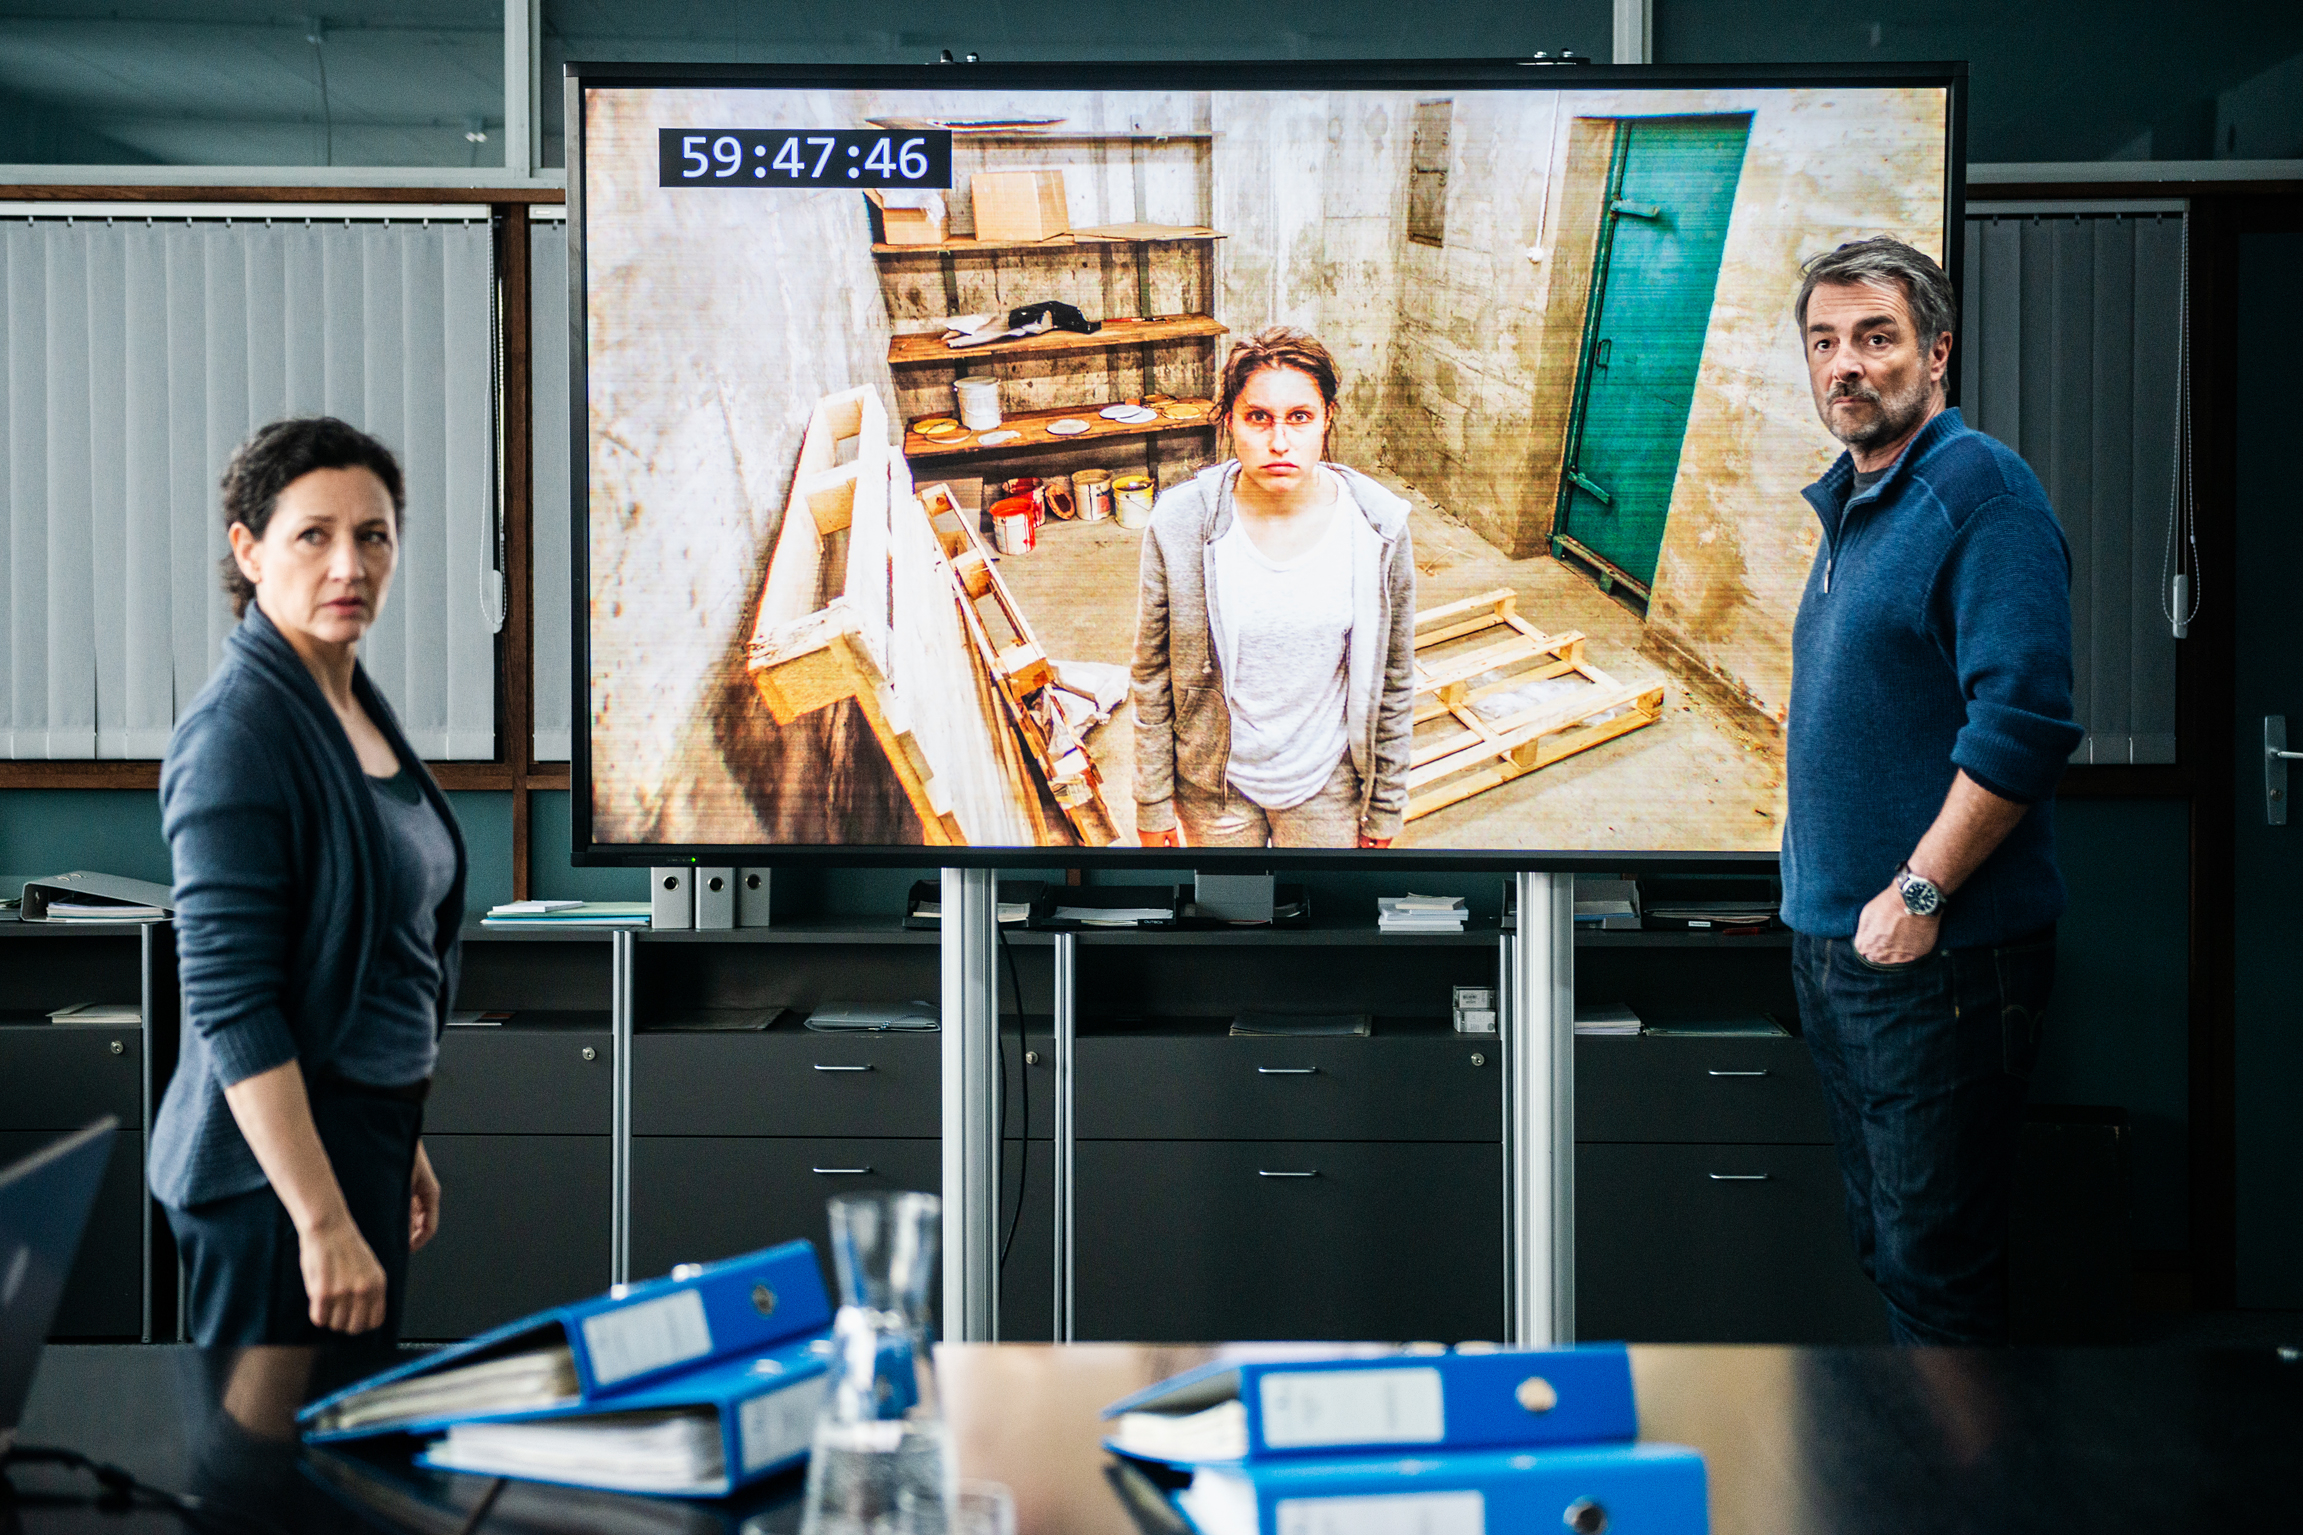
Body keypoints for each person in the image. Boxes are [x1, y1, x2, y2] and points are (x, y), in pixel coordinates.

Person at [1782, 238, 2083, 1346]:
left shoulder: (1979, 493)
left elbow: (2024, 723)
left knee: (1935, 1276)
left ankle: (1954, 1506)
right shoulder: (1861, 499)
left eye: (1874, 337)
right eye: (1824, 342)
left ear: (1935, 350)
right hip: (1842, 951)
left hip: (1937, 958)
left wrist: (1914, 893)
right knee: (1891, 1251)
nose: (1844, 366)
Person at [150, 417, 468, 1346]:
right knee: (261, 1477)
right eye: (313, 535)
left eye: (372, 534)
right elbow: (233, 1001)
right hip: (269, 1181)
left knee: (340, 1459)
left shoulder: (347, 698)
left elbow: (388, 954)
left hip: (358, 1141)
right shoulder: (236, 736)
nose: (349, 566)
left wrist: (398, 1134)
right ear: (248, 550)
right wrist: (320, 1219)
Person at [1130, 327, 1417, 849]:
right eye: (1258, 417)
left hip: (1328, 785)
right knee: (1233, 918)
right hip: (1213, 788)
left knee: (1314, 922)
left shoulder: (1377, 526)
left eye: (1299, 417)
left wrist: (1386, 805)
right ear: (1230, 421)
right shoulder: (1179, 523)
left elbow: (1394, 680)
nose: (1279, 442)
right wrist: (1151, 801)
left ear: (1327, 418)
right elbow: (1150, 675)